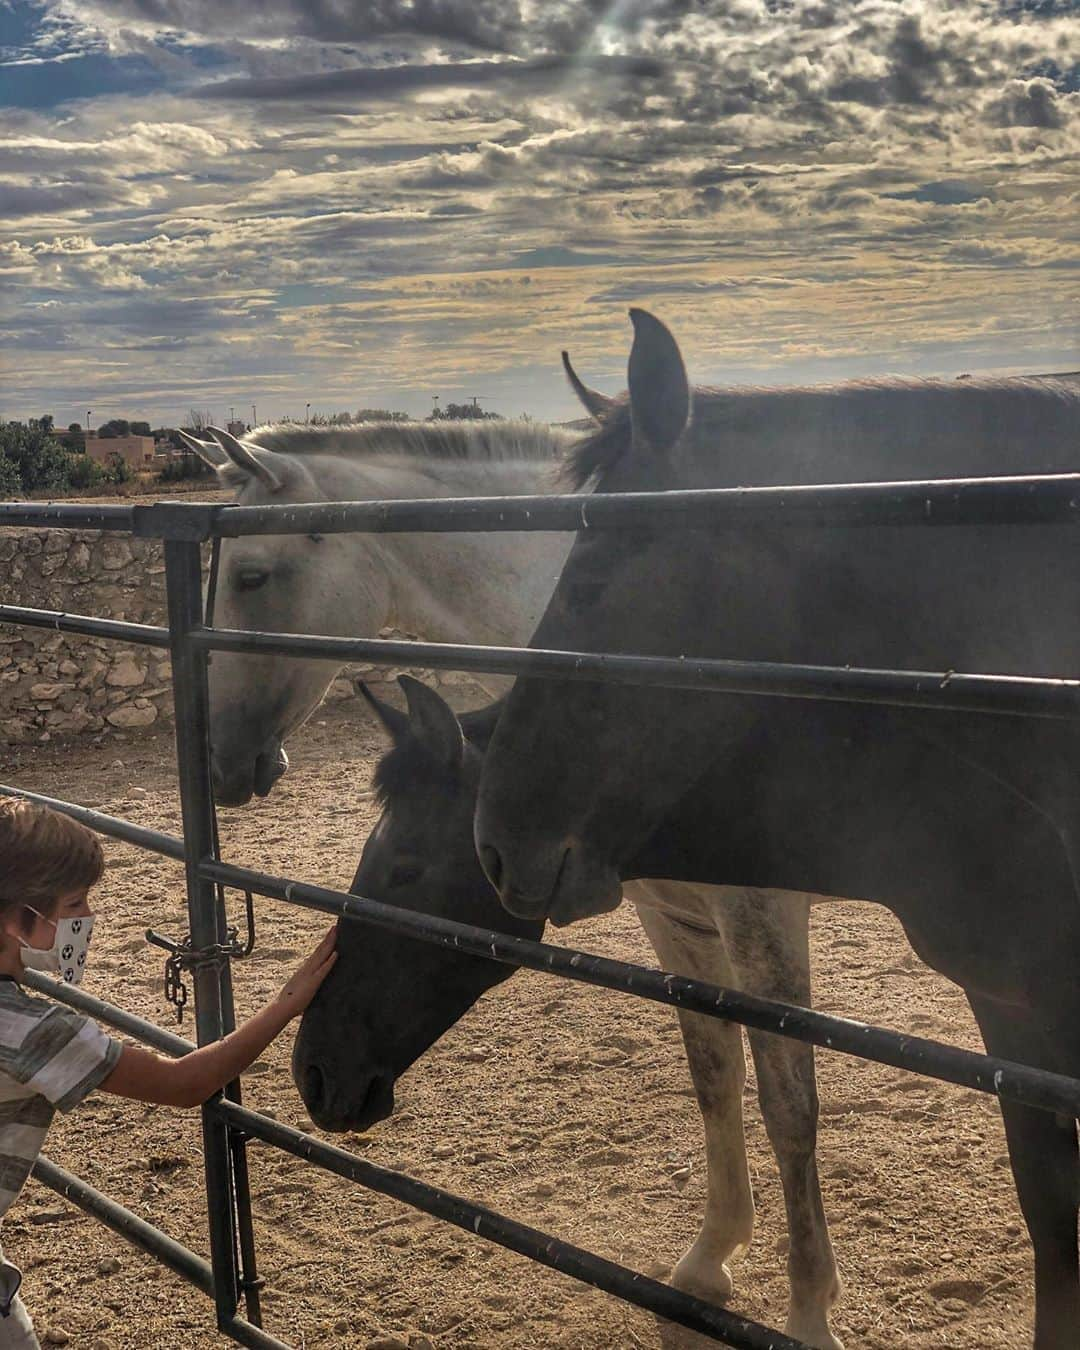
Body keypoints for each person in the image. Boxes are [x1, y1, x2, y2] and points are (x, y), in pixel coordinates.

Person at [0, 796, 337, 1348]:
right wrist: (286, 1003)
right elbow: (183, 1083)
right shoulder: (33, 1030)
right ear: (20, 918)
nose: (85, 918)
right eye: (75, 902)